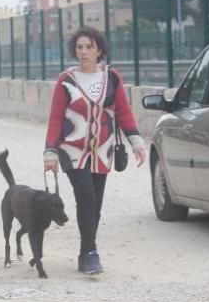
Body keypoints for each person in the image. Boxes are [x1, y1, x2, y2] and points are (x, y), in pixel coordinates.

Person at [44, 26, 147, 275]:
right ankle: (91, 253)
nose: (83, 51)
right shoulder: (65, 80)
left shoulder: (112, 77)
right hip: (72, 150)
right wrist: (51, 151)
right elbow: (56, 118)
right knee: (86, 198)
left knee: (96, 204)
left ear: (99, 50)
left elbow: (123, 111)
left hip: (103, 151)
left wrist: (136, 141)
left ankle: (84, 252)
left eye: (89, 47)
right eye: (79, 47)